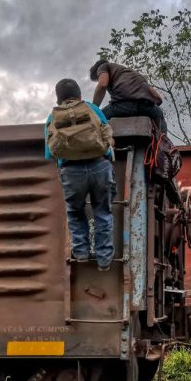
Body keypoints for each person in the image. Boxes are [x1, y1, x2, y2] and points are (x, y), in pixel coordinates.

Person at [45, 78, 116, 271]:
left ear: (58, 98)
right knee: (102, 211)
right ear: (80, 95)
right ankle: (104, 260)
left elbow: (50, 153)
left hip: (70, 170)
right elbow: (107, 134)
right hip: (100, 165)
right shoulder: (92, 108)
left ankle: (82, 253)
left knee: (75, 212)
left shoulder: (53, 117)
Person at [89, 59, 168, 131]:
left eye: (98, 78)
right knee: (159, 115)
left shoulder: (103, 67)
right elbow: (156, 96)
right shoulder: (130, 73)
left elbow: (102, 84)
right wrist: (154, 105)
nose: (99, 79)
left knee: (97, 117)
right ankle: (164, 142)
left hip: (123, 105)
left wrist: (94, 109)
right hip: (146, 105)